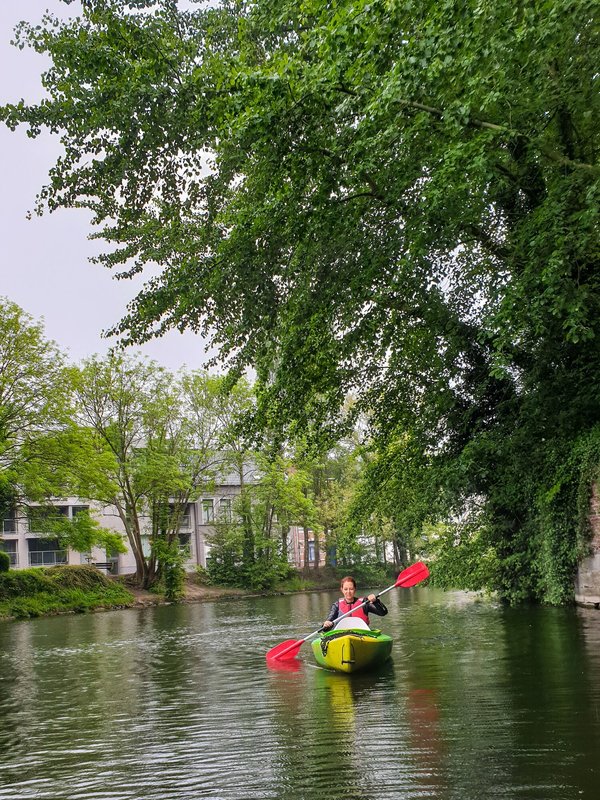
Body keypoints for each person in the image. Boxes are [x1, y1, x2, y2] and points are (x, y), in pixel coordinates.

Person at [322, 575, 388, 629]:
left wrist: (375, 601)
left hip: (362, 635)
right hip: (342, 635)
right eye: (345, 589)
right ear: (341, 590)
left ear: (355, 589)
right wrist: (327, 624)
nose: (348, 592)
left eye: (351, 589)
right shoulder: (337, 605)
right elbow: (327, 625)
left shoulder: (364, 603)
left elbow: (383, 612)